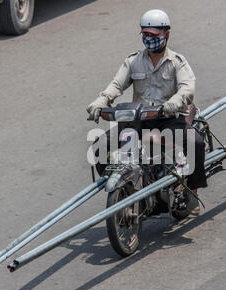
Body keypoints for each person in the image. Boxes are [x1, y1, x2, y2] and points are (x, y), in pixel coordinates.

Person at [87, 9, 207, 215]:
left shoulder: (177, 61)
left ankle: (192, 194)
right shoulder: (133, 61)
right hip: (139, 120)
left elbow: (188, 88)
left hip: (166, 119)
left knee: (195, 142)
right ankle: (123, 187)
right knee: (100, 147)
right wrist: (101, 100)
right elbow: (117, 84)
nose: (149, 39)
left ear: (166, 33)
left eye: (153, 34)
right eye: (145, 34)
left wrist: (175, 102)